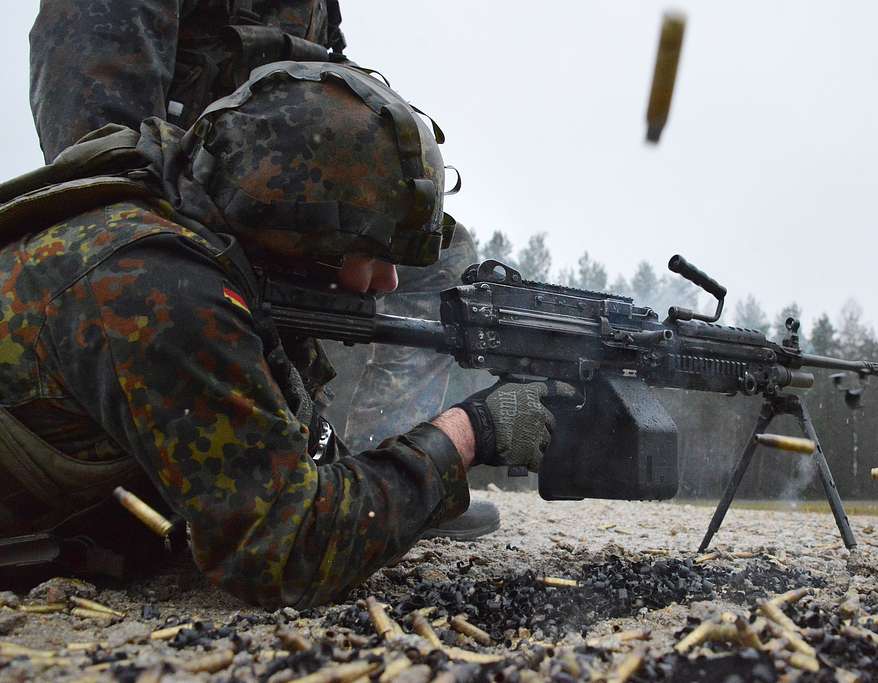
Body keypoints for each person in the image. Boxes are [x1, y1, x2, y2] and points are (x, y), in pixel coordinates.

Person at [0, 62, 563, 607]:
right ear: (299, 231)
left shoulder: (199, 226)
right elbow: (287, 553)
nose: (388, 282)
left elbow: (305, 470)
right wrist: (469, 431)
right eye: (372, 254)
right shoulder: (158, 284)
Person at [27, 0, 497, 540]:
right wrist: (168, 223)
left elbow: (332, 89)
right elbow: (90, 117)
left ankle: (375, 476)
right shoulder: (155, 265)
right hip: (194, 204)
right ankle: (305, 488)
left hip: (283, 210)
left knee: (434, 253)